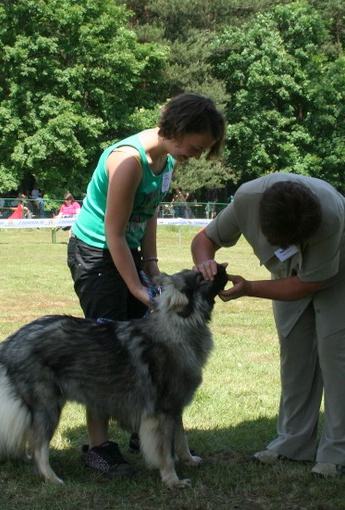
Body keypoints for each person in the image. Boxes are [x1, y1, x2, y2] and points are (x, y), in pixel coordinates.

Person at [67, 93, 226, 478]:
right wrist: (139, 290)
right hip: (97, 254)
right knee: (105, 352)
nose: (195, 156)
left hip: (127, 252)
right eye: (196, 146)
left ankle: (145, 429)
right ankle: (98, 447)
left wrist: (152, 268)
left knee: (148, 347)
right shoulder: (127, 162)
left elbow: (149, 213)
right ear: (178, 128)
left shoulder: (166, 160)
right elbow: (114, 235)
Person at [191, 173, 345, 479]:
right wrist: (204, 265)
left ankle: (340, 452)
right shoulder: (246, 199)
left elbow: (307, 284)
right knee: (294, 348)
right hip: (289, 274)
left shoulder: (328, 216)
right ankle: (293, 443)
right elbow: (204, 240)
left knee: (335, 350)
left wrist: (250, 288)